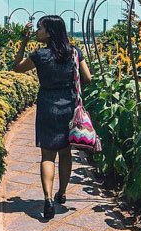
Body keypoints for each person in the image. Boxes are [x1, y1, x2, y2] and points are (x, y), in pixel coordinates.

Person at [13, 15, 92, 219]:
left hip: (47, 105)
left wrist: (23, 40)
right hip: (69, 105)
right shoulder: (74, 52)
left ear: (49, 32)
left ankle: (47, 199)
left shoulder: (40, 55)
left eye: (40, 28)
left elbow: (17, 67)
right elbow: (88, 78)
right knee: (65, 153)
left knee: (47, 155)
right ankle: (62, 193)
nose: (38, 32)